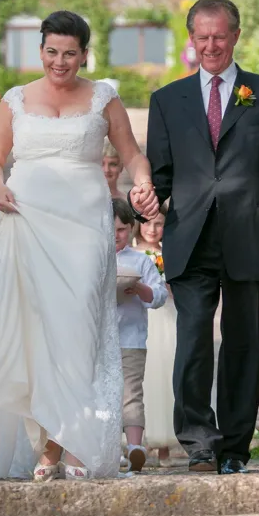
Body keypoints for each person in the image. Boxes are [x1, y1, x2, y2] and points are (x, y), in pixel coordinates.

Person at [0, 10, 158, 482]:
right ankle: (50, 448)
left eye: (70, 53)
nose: (59, 62)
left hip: (87, 227)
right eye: (51, 51)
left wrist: (143, 183)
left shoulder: (103, 98)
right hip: (29, 222)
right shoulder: (16, 99)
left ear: (85, 54)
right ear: (40, 49)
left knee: (80, 329)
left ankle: (77, 442)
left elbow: (131, 153)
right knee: (40, 335)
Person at [131, 0, 259, 475]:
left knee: (244, 344)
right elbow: (161, 175)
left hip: (255, 234)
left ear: (235, 35)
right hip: (190, 237)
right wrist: (143, 199)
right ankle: (199, 441)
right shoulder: (167, 100)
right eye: (202, 36)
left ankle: (233, 446)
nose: (211, 45)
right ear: (191, 40)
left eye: (220, 35)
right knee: (192, 340)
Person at [114, 198, 168, 473]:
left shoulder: (141, 261)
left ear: (131, 229)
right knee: (102, 395)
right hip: (98, 341)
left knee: (131, 393)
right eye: (109, 229)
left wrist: (142, 290)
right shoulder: (93, 259)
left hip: (132, 339)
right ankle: (108, 449)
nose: (115, 235)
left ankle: (136, 446)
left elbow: (158, 295)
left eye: (122, 229)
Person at [135, 205, 178, 466]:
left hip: (167, 318)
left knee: (164, 376)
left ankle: (164, 447)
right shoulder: (132, 254)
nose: (152, 229)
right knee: (141, 377)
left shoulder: (168, 254)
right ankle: (138, 441)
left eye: (159, 223)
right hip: (141, 318)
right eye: (148, 223)